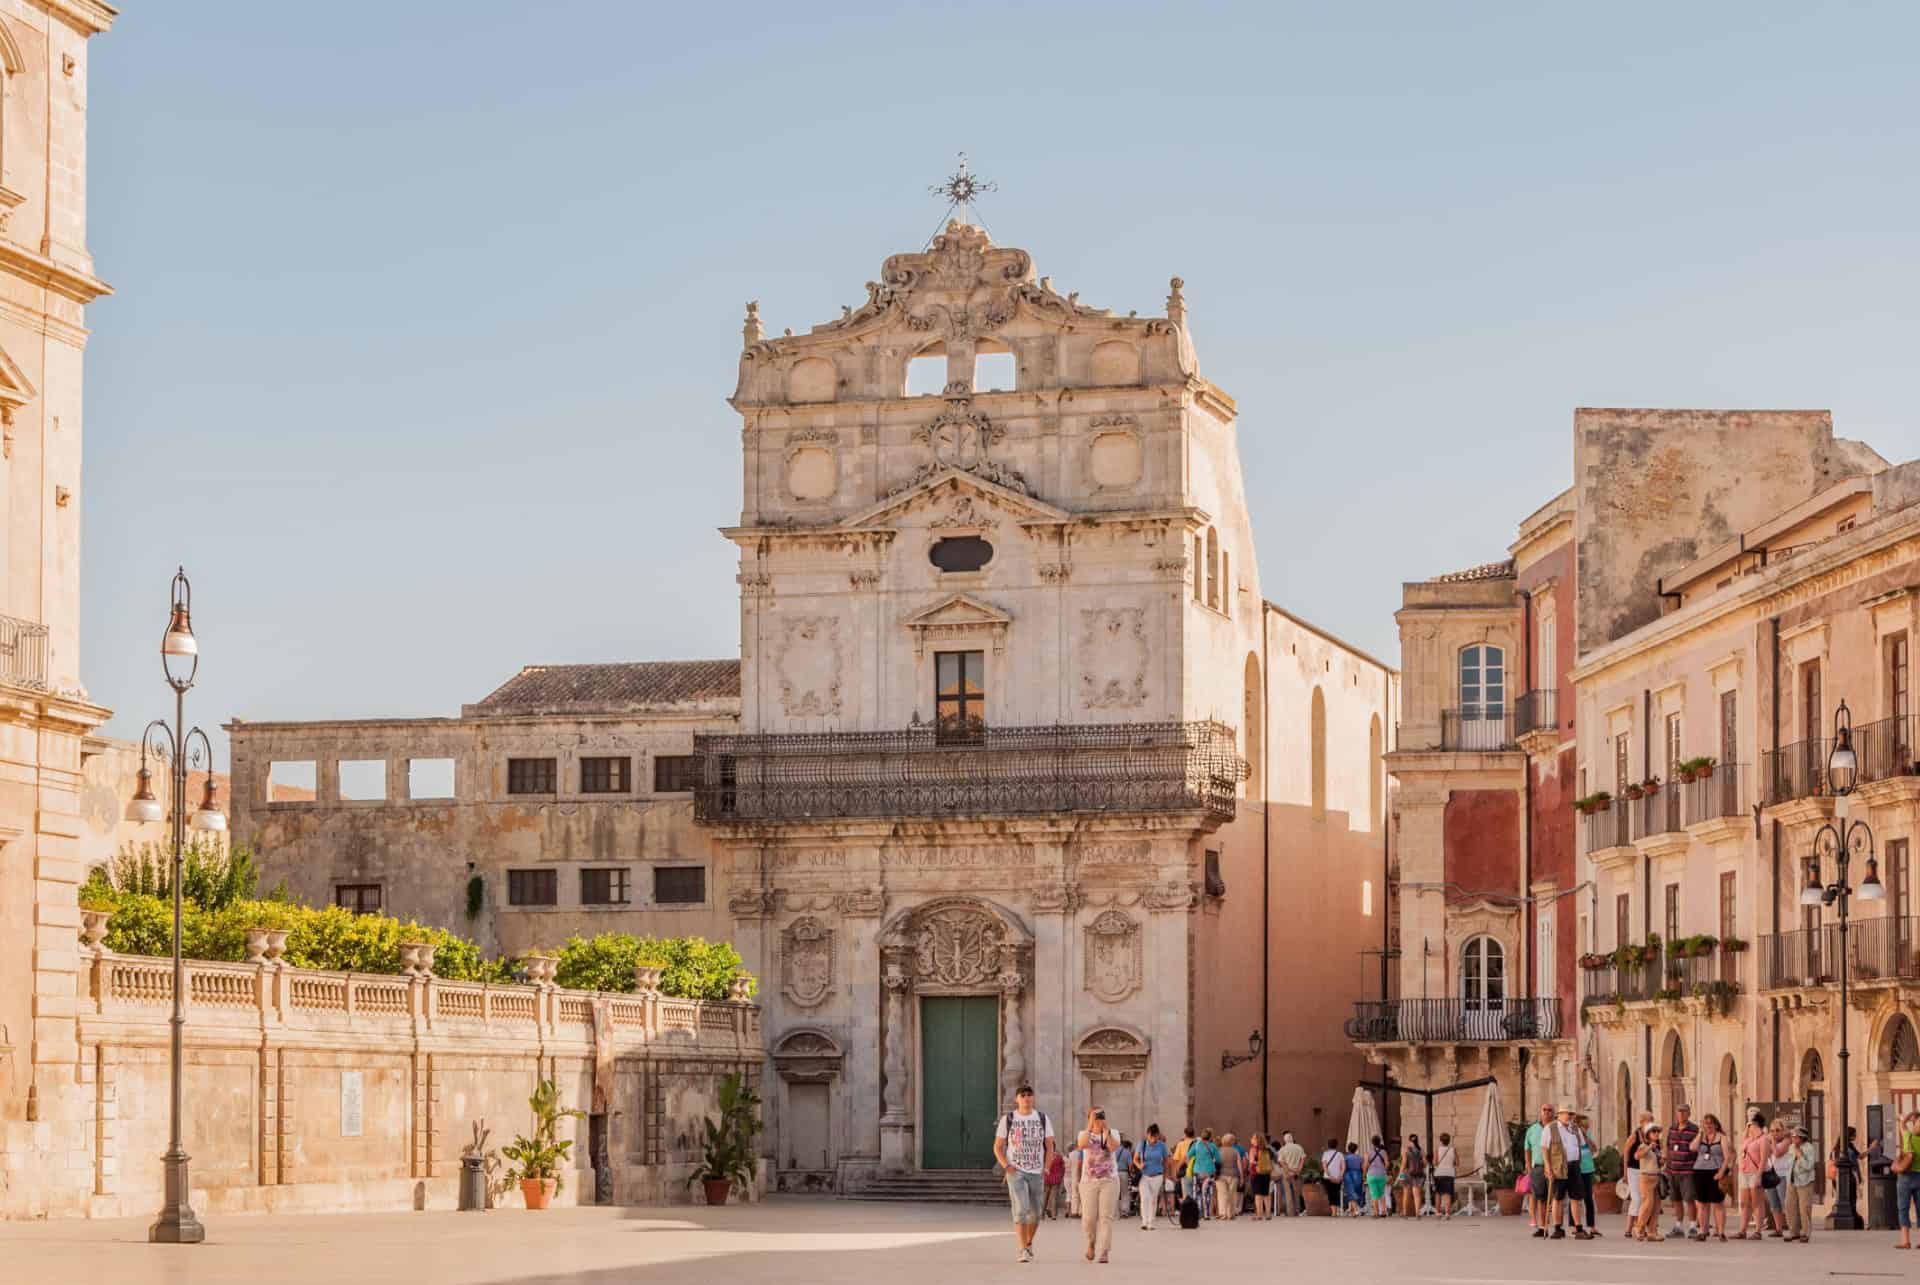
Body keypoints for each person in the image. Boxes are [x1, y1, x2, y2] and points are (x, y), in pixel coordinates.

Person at [992, 1084, 1056, 1265]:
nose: (1026, 1098)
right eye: (1023, 1095)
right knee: (1021, 1210)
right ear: (1016, 1099)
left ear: (1033, 1098)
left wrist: (1047, 1167)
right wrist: (1006, 1166)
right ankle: (1022, 1249)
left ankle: (1028, 1243)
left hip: (1037, 1171)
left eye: (1029, 1095)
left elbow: (1050, 1146)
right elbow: (997, 1147)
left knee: (1035, 1214)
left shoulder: (1042, 1118)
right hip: (1016, 1171)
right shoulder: (1009, 1119)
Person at [1077, 1107, 1121, 1264]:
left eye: (1101, 1115)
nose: (1098, 1118)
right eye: (1095, 1116)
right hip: (1088, 1181)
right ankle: (1091, 1243)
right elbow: (1082, 1145)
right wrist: (1090, 1126)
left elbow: (1113, 1147)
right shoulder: (1084, 1133)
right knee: (1088, 1218)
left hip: (1109, 1180)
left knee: (1106, 1217)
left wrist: (1106, 1129)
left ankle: (1104, 1251)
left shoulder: (1112, 1132)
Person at [1544, 1106, 1591, 1240]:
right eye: (1566, 1113)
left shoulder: (1575, 1129)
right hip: (1558, 1167)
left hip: (1574, 1166)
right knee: (1557, 1198)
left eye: (1570, 1114)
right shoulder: (1550, 1128)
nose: (1569, 1116)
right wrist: (1547, 1166)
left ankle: (1579, 1229)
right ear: (1559, 1114)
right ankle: (1558, 1228)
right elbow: (1544, 1148)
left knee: (1576, 1198)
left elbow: (1582, 1144)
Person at [1690, 1113, 1730, 1241]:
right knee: (1702, 1203)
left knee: (1718, 1203)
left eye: (1710, 1124)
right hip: (1700, 1171)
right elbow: (1692, 1148)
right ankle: (1702, 1231)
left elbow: (1727, 1157)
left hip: (1715, 1172)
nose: (1708, 1126)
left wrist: (1721, 1172)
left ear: (1716, 1124)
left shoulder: (1722, 1138)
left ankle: (1721, 1232)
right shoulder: (1701, 1136)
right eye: (1705, 1124)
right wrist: (1700, 1134)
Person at [1665, 1103, 1699, 1240]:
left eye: (1684, 1112)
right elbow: (1668, 1146)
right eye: (1679, 1112)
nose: (1681, 1115)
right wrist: (1667, 1164)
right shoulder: (1672, 1128)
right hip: (1673, 1170)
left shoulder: (1694, 1129)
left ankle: (1693, 1226)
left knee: (1689, 1199)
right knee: (1676, 1199)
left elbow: (1697, 1149)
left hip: (1688, 1170)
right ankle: (1678, 1226)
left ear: (1689, 1114)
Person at [1735, 1115, 1769, 1239]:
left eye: (1751, 1124)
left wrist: (1759, 1176)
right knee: (1744, 1203)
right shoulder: (1748, 1139)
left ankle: (1758, 1231)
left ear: (1757, 1125)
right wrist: (1747, 1129)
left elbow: (1763, 1159)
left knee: (1757, 1202)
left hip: (1755, 1173)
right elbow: (1741, 1145)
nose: (1750, 1127)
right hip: (1744, 1173)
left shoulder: (1763, 1139)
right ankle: (1742, 1230)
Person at [1784, 1124, 1818, 1243]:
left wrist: (1800, 1156)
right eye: (1792, 1136)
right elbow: (1788, 1164)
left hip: (1805, 1182)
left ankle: (1805, 1233)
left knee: (1804, 1208)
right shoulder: (1791, 1148)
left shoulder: (1809, 1148)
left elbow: (1809, 1166)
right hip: (1792, 1181)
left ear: (1802, 1137)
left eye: (1795, 1136)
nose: (1793, 1138)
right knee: (1790, 1206)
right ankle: (1794, 1232)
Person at [1525, 1102, 1554, 1236]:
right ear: (1540, 1112)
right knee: (1541, 1199)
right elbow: (1527, 1148)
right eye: (1544, 1110)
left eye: (1549, 1110)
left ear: (1553, 1113)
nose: (1547, 1112)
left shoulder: (1556, 1128)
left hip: (1554, 1168)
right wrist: (1528, 1165)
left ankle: (1557, 1226)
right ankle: (1543, 1227)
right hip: (1538, 1167)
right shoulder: (1532, 1129)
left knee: (1555, 1199)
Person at [1633, 1125, 1666, 1241]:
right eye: (1654, 1131)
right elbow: (1637, 1156)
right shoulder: (1644, 1145)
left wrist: (1662, 1161)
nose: (1657, 1134)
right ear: (1648, 1134)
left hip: (1656, 1177)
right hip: (1646, 1178)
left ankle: (1652, 1232)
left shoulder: (1657, 1148)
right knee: (1647, 1205)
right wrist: (1648, 1148)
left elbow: (1658, 1163)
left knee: (1656, 1207)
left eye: (1658, 1132)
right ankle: (1638, 1228)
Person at [1136, 1124, 1170, 1231]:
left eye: (1155, 1136)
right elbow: (1135, 1159)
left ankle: (1151, 1222)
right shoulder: (1142, 1144)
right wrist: (1139, 1165)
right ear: (1147, 1134)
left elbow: (1165, 1161)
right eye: (1151, 1136)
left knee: (1153, 1199)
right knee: (1145, 1198)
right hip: (1144, 1176)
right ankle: (1144, 1222)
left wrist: (1165, 1176)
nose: (1153, 1139)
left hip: (1157, 1176)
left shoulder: (1162, 1146)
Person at [1762, 1117, 1791, 1238]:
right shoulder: (1769, 1141)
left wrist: (1772, 1141)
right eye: (1772, 1131)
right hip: (1771, 1174)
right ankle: (1778, 1229)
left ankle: (1792, 1228)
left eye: (1777, 1130)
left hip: (1783, 1175)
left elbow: (1778, 1153)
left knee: (1785, 1203)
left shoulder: (1787, 1140)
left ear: (1783, 1131)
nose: (1775, 1133)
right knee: (1774, 1203)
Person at [1896, 1110, 1920, 1251]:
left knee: (1903, 1208)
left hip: (1906, 1177)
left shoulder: (1908, 1136)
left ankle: (1906, 1241)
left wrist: (1906, 1117)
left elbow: (1902, 1124)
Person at [1575, 1115, 1600, 1235]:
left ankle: (1592, 1226)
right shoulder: (1573, 1133)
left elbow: (1594, 1149)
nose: (1588, 1124)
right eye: (1585, 1123)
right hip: (1576, 1168)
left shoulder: (1588, 1133)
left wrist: (1585, 1136)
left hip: (1588, 1168)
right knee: (1575, 1199)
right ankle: (1575, 1226)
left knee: (1589, 1198)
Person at [1190, 1128, 1221, 1219]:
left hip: (1197, 1171)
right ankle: (1206, 1214)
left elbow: (1188, 1156)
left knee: (1197, 1193)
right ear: (1210, 1136)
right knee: (1207, 1193)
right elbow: (1218, 1160)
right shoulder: (1213, 1146)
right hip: (1209, 1172)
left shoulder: (1196, 1145)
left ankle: (1198, 1213)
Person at [1277, 1131, 1306, 1217]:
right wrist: (1298, 1170)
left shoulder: (1282, 1149)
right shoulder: (1299, 1147)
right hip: (1297, 1172)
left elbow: (1282, 1162)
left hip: (1286, 1173)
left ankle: (1290, 1212)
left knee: (1288, 1193)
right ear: (1292, 1139)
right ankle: (1297, 1210)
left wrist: (1289, 1171)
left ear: (1284, 1140)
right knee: (1296, 1192)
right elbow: (1303, 1159)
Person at [1216, 1132, 1242, 1220]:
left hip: (1221, 1175)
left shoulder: (1219, 1151)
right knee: (1232, 1194)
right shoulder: (1235, 1151)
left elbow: (1215, 1163)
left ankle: (1223, 1213)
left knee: (1222, 1194)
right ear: (1232, 1141)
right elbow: (1239, 1165)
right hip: (1233, 1175)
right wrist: (1241, 1176)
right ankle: (1230, 1213)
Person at [1399, 1132, 1426, 1217]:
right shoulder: (1421, 1150)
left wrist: (1400, 1174)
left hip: (1407, 1173)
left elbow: (1404, 1163)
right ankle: (1417, 1213)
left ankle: (1404, 1213)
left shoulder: (1405, 1149)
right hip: (1418, 1174)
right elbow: (1425, 1163)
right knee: (1417, 1194)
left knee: (1406, 1193)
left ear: (1409, 1140)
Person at [1249, 1132, 1274, 1220]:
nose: (1251, 1139)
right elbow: (1271, 1162)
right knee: (1266, 1194)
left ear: (1256, 1140)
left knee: (1258, 1195)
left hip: (1256, 1173)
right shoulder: (1268, 1149)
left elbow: (1252, 1161)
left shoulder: (1253, 1149)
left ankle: (1259, 1214)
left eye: (1252, 1138)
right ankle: (1268, 1214)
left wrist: (1258, 1163)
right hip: (1266, 1173)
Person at [1365, 1134, 1391, 1218]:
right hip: (1381, 1175)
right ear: (1379, 1142)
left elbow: (1366, 1164)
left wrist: (1365, 1172)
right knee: (1381, 1193)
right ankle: (1383, 1211)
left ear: (1372, 1143)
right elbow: (1387, 1163)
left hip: (1371, 1175)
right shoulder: (1383, 1152)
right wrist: (1384, 1170)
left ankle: (1376, 1213)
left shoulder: (1368, 1152)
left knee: (1374, 1194)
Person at [1433, 1132, 1457, 1219]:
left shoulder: (1437, 1150)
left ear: (1441, 1140)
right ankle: (1447, 1213)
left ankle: (1438, 1212)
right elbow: (1457, 1163)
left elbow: (1435, 1163)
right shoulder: (1453, 1149)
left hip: (1439, 1174)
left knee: (1438, 1193)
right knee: (1448, 1193)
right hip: (1449, 1174)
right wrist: (1451, 1162)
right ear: (1449, 1140)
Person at [1319, 1137, 1345, 1211]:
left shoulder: (1325, 1154)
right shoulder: (1340, 1154)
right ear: (1337, 1145)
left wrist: (1330, 1176)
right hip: (1338, 1177)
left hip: (1328, 1178)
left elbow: (1324, 1166)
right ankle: (1335, 1211)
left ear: (1328, 1145)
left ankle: (1334, 1212)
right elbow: (1343, 1166)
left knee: (1330, 1194)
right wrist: (1341, 1176)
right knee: (1336, 1193)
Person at [1342, 1141, 1365, 1215]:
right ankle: (1353, 1210)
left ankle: (1355, 1210)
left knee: (1351, 1192)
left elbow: (1344, 1168)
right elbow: (1363, 1168)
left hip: (1348, 1174)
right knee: (1357, 1191)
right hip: (1358, 1174)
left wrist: (1342, 1176)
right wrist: (1363, 1176)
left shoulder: (1346, 1158)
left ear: (1348, 1149)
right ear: (1356, 1149)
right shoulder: (1360, 1157)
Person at [1114, 1134, 1135, 1220]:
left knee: (1115, 1193)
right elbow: (1130, 1165)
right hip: (1124, 1173)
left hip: (1114, 1173)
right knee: (1125, 1193)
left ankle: (1115, 1212)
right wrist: (1131, 1173)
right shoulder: (1127, 1152)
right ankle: (1125, 1212)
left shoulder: (1114, 1151)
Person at [1043, 1147, 1066, 1220]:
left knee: (1045, 1197)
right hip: (1056, 1179)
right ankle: (1054, 1215)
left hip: (1047, 1178)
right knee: (1054, 1197)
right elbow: (1063, 1167)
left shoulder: (1045, 1156)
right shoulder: (1059, 1157)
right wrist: (1061, 1176)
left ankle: (1041, 1214)